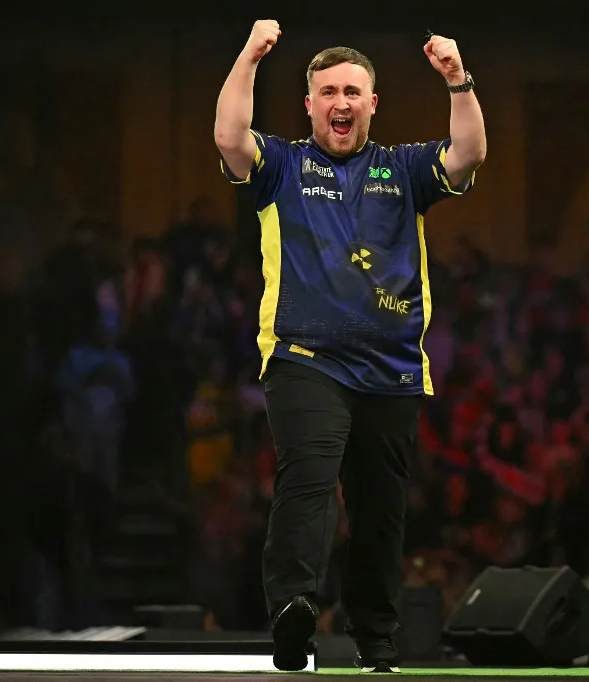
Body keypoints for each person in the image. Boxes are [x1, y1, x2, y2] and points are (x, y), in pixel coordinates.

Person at [214, 20, 486, 673]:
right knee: (308, 476)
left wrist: (458, 80)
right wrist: (251, 55)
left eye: (353, 91)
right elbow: (229, 137)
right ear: (309, 105)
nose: (341, 102)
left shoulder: (405, 168)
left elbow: (470, 153)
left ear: (372, 103)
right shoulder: (281, 165)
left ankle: (376, 638)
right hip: (304, 360)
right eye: (328, 91)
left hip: (391, 371)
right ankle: (293, 609)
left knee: (380, 510)